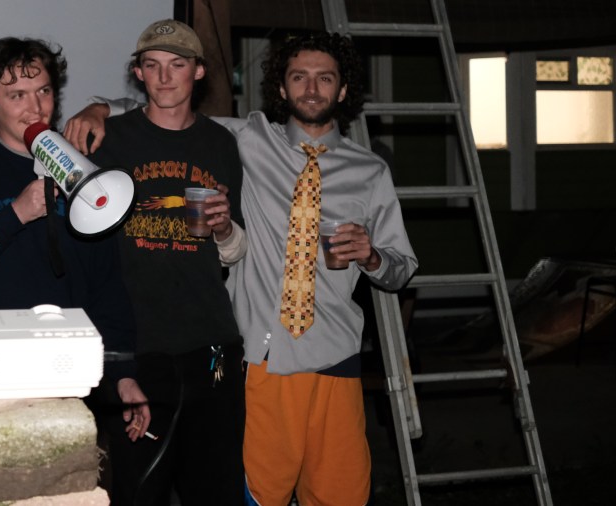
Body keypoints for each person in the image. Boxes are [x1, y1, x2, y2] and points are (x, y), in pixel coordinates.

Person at [64, 31, 419, 506]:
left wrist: (373, 256)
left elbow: (401, 268)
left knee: (341, 497)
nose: (311, 89)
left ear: (343, 90)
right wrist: (98, 109)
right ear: (281, 88)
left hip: (335, 355)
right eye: (299, 77)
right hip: (262, 357)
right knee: (258, 495)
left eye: (325, 78)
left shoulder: (371, 171)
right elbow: (166, 102)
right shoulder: (250, 138)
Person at [0, 36, 150, 492]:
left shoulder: (82, 170)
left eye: (43, 91)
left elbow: (106, 283)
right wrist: (15, 215)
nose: (35, 107)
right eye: (16, 95)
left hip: (68, 368)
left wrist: (123, 374)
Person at [78, 19, 248, 506]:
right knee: (139, 490)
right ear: (138, 73)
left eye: (177, 65)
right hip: (136, 347)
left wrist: (223, 228)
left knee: (215, 490)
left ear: (199, 71)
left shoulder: (220, 143)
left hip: (212, 343)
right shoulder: (108, 138)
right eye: (152, 66)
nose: (165, 77)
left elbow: (234, 252)